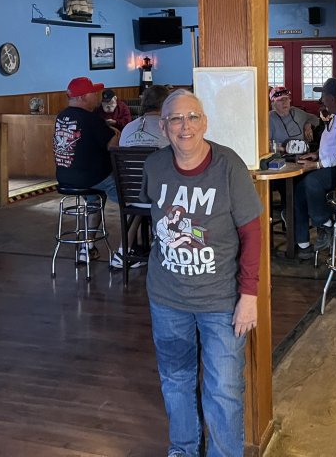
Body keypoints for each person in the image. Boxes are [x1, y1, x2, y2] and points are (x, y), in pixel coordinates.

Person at [142, 89, 262, 457]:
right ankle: (183, 449)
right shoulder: (154, 166)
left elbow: (252, 234)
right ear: (163, 127)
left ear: (205, 123)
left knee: (223, 389)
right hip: (167, 297)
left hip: (221, 300)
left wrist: (249, 296)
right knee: (175, 380)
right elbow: (154, 220)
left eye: (192, 117)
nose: (185, 126)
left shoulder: (229, 166)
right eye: (176, 119)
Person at [53, 77, 120, 262]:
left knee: (94, 198)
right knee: (131, 200)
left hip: (65, 176)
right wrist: (116, 132)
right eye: (93, 93)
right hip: (92, 177)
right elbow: (112, 146)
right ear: (83, 97)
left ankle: (87, 247)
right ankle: (127, 250)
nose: (97, 96)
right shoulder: (91, 119)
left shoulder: (62, 116)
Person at [110, 84, 171, 270]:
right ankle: (163, 248)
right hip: (159, 197)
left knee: (140, 201)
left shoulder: (128, 128)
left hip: (131, 196)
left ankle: (123, 252)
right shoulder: (168, 128)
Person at [293, 78, 336, 259]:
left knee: (311, 181)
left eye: (324, 97)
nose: (322, 101)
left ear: (332, 98)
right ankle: (303, 243)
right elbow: (330, 147)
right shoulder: (333, 117)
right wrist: (316, 154)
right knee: (298, 189)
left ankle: (325, 223)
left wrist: (318, 164)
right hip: (325, 164)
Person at [268, 86, 318, 154]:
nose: (284, 102)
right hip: (282, 156)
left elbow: (314, 118)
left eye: (286, 99)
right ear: (273, 103)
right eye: (280, 100)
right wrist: (284, 149)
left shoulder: (295, 112)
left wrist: (308, 125)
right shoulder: (270, 118)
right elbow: (265, 144)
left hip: (304, 155)